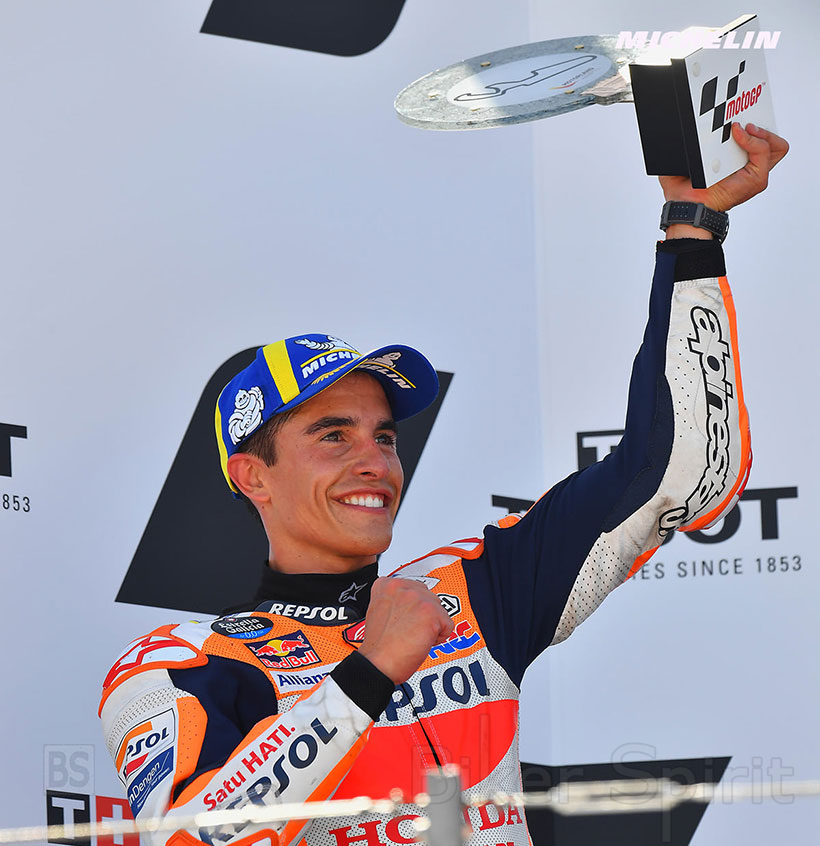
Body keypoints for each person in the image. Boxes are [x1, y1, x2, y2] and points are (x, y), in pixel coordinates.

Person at [100, 123, 788, 846]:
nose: (374, 460)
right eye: (333, 435)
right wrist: (370, 672)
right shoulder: (183, 664)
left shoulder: (473, 589)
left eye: (384, 436)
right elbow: (185, 838)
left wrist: (692, 230)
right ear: (252, 476)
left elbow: (678, 471)